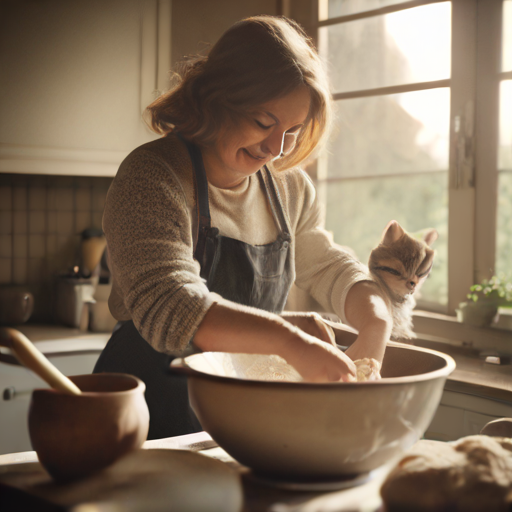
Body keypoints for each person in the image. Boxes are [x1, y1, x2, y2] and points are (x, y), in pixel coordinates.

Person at [94, 15, 392, 439]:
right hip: (144, 414)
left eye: (292, 130)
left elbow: (328, 265)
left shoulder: (289, 188)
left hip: (242, 414)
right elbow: (171, 305)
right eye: (264, 122)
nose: (276, 148)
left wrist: (377, 320)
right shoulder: (152, 177)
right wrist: (287, 339)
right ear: (215, 99)